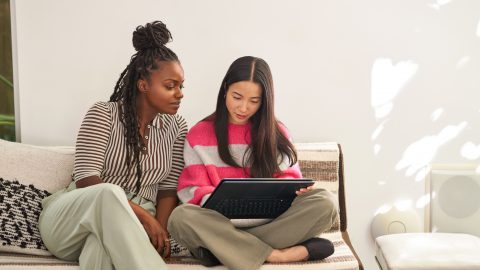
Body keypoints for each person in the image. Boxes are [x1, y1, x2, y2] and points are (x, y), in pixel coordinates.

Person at [38, 21, 187, 270]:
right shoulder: (103, 114)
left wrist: (160, 231)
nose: (179, 93)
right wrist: (145, 219)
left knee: (100, 251)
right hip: (73, 219)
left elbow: (167, 191)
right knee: (110, 193)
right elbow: (87, 179)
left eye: (181, 86)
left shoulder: (177, 127)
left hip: (124, 229)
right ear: (143, 85)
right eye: (170, 86)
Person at [168, 56, 338, 270]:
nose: (243, 107)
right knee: (180, 218)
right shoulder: (198, 134)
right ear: (225, 90)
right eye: (237, 97)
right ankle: (277, 255)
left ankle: (224, 252)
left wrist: (298, 191)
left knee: (326, 203)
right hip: (220, 224)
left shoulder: (277, 133)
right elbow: (191, 191)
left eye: (254, 101)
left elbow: (290, 180)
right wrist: (225, 201)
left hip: (271, 223)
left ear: (265, 100)